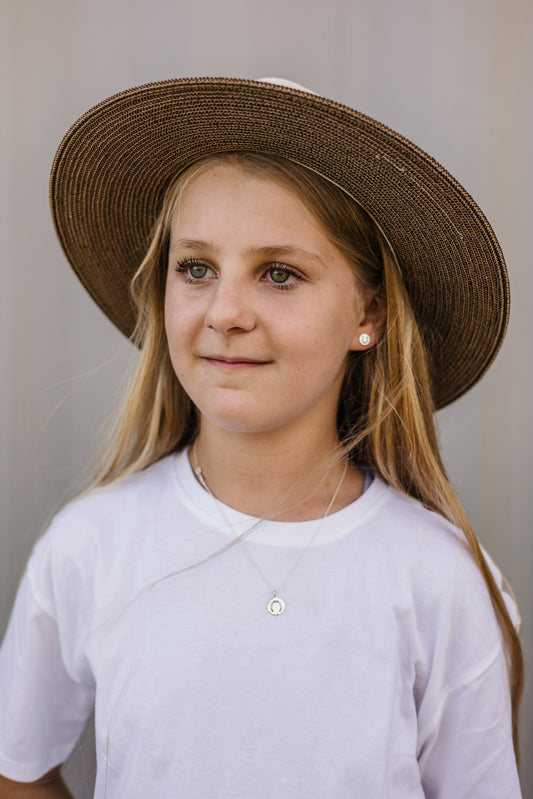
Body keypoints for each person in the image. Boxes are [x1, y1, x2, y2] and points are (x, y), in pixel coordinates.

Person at [0, 78, 524, 798]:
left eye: (279, 274)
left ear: (366, 312)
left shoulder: (435, 578)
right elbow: (18, 768)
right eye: (196, 268)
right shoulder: (91, 545)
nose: (225, 312)